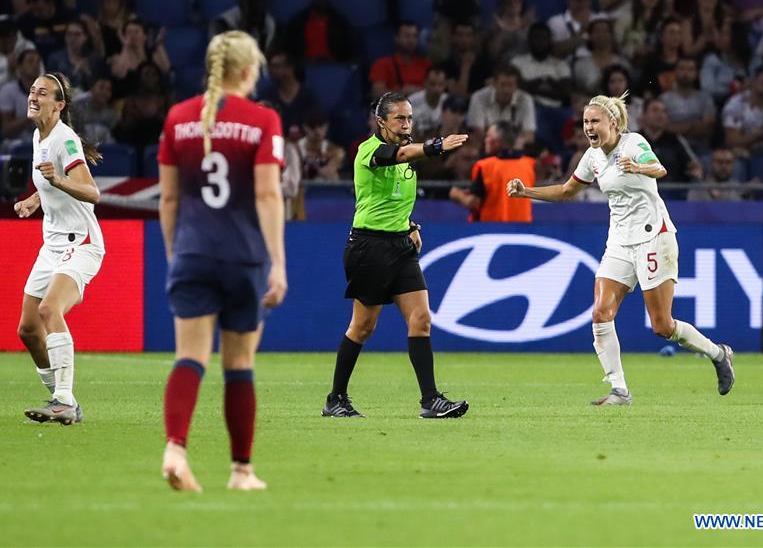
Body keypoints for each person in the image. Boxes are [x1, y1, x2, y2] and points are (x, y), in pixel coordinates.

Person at [506, 91, 735, 405]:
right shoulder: (592, 156)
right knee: (601, 311)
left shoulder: (633, 143)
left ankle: (718, 353)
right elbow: (566, 191)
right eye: (586, 121)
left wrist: (638, 167)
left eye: (595, 121)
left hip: (654, 235)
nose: (589, 127)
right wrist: (526, 192)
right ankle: (619, 390)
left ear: (612, 123)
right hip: (619, 242)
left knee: (662, 325)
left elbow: (659, 168)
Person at [157, 30, 287, 492]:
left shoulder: (178, 118)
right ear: (249, 72)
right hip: (243, 257)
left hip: (192, 252)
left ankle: (176, 449)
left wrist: (174, 253)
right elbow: (268, 195)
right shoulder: (263, 120)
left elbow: (168, 198)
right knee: (239, 364)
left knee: (189, 357)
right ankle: (241, 471)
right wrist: (278, 262)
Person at [323, 91, 470, 419]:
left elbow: (393, 198)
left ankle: (430, 400)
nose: (406, 124)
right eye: (399, 118)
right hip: (369, 247)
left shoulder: (407, 153)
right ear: (381, 122)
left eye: (410, 118)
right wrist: (436, 146)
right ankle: (335, 399)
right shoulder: (369, 150)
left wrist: (410, 224)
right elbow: (396, 155)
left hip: (401, 245)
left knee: (421, 320)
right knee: (363, 326)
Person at [14, 72, 104, 425]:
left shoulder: (65, 140)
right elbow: (51, 181)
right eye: (32, 91)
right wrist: (35, 199)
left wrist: (58, 180)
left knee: (50, 310)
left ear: (59, 104)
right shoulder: (40, 135)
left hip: (80, 242)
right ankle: (60, 398)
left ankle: (64, 401)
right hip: (51, 244)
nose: (33, 97)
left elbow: (92, 192)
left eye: (43, 93)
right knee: (28, 329)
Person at [449, 120, 537, 222]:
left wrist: (456, 195)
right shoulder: (528, 165)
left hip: (492, 228)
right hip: (522, 229)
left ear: (497, 142)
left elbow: (473, 202)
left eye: (488, 137)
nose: (485, 140)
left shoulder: (485, 166)